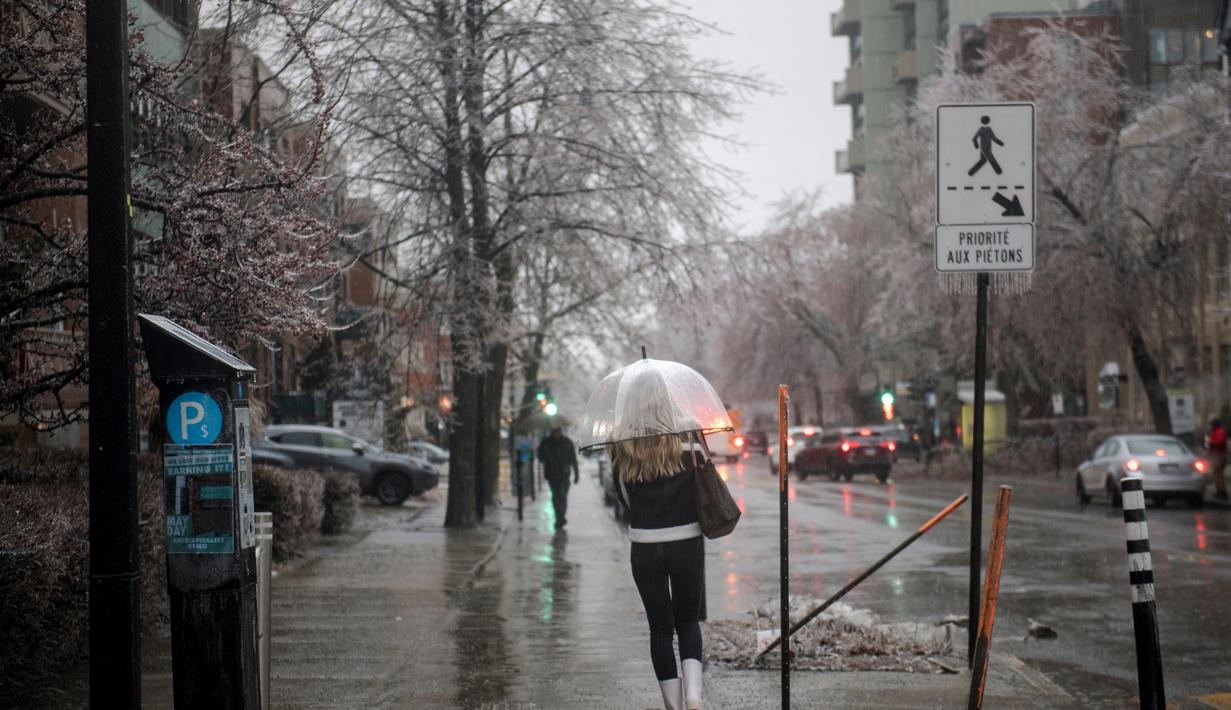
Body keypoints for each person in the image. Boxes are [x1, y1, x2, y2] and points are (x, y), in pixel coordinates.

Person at [611, 433, 707, 710]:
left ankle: (673, 705)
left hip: (645, 547)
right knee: (688, 622)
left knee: (660, 629)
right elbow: (703, 489)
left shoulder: (624, 454)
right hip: (686, 543)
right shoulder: (691, 448)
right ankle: (693, 696)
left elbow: (626, 502)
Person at [538, 427, 579, 530]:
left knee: (563, 497)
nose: (556, 433)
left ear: (560, 431)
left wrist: (576, 474)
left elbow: (573, 459)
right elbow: (540, 458)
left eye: (558, 431)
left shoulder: (567, 442)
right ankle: (559, 518)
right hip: (552, 475)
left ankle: (561, 516)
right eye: (554, 431)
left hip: (564, 474)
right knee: (556, 497)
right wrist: (545, 453)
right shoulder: (546, 442)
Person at [1207, 418, 1228, 501]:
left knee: (1218, 475)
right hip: (1217, 455)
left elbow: (1220, 441)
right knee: (1217, 474)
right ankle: (1220, 491)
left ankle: (1222, 492)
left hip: (1219, 455)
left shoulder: (1219, 431)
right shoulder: (1216, 431)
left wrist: (1211, 442)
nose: (1211, 426)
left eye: (1212, 424)